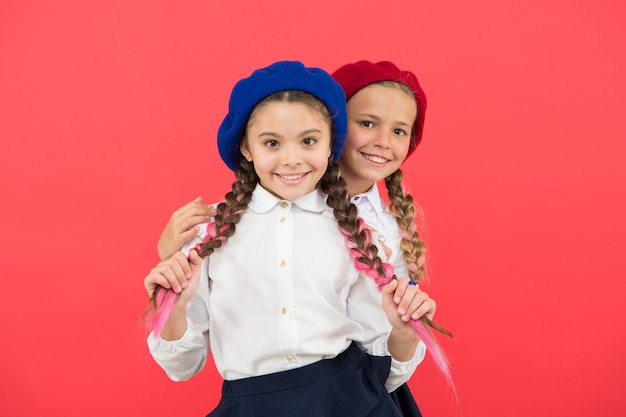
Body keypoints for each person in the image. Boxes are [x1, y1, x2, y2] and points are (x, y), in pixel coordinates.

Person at [154, 60, 453, 415]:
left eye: (308, 141)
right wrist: (172, 307)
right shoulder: (209, 231)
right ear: (247, 149)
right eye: (271, 142)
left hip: (350, 402)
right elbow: (181, 365)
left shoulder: (357, 230)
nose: (292, 159)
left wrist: (403, 334)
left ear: (330, 145)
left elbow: (383, 370)